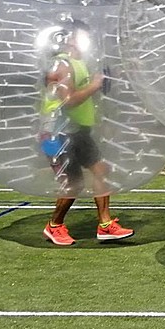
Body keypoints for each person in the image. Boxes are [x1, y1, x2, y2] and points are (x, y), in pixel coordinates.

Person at [39, 21, 133, 247]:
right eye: (83, 36)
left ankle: (105, 225)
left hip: (76, 131)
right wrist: (95, 85)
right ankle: (54, 226)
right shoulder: (62, 65)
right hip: (54, 134)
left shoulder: (79, 63)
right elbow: (69, 101)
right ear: (70, 39)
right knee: (73, 183)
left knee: (101, 170)